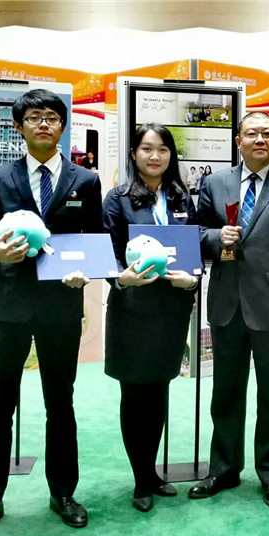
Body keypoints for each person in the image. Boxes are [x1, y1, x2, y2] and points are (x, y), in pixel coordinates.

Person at [0, 89, 102, 536]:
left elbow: (96, 238)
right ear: (20, 126)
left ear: (63, 126)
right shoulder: (0, 177)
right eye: (35, 117)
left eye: (52, 118)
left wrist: (87, 270)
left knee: (61, 405)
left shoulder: (86, 180)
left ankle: (63, 494)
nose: (44, 124)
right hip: (9, 307)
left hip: (62, 307)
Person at [188, 112, 269, 507]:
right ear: (238, 140)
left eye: (267, 133)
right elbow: (197, 232)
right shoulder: (215, 183)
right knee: (225, 392)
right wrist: (215, 237)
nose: (260, 139)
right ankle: (223, 469)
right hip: (226, 303)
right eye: (252, 133)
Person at [103, 123, 199, 513]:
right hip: (132, 308)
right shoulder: (117, 199)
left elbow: (193, 249)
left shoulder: (181, 197)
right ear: (134, 154)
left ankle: (152, 471)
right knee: (134, 393)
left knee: (159, 390)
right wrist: (120, 278)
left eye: (162, 149)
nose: (154, 156)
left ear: (170, 155)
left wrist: (193, 281)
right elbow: (108, 252)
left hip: (171, 310)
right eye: (146, 148)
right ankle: (141, 478)